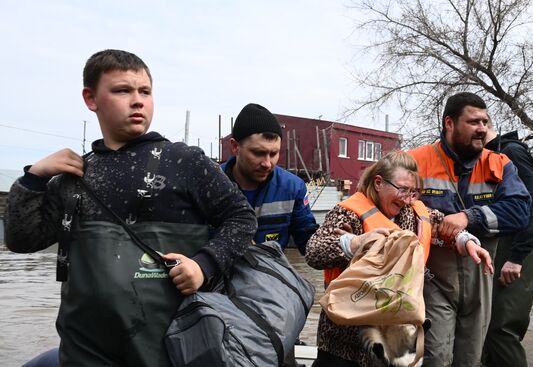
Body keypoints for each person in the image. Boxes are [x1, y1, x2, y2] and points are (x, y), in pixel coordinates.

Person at [5, 49, 257, 366]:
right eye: (122, 90)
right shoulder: (74, 176)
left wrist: (202, 265)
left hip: (170, 348)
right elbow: (21, 240)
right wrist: (34, 178)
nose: (137, 101)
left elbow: (241, 220)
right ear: (90, 98)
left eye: (145, 92)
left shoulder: (186, 162)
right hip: (85, 352)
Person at [304, 151, 493, 367]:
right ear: (378, 183)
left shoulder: (413, 211)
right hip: (346, 337)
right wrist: (353, 243)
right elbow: (313, 251)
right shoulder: (347, 213)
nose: (407, 199)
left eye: (413, 192)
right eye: (403, 190)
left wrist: (467, 241)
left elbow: (441, 226)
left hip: (394, 334)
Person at [407, 92, 531, 367]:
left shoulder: (499, 164)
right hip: (432, 276)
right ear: (449, 123)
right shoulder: (414, 161)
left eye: (485, 122)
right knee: (436, 356)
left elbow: (520, 213)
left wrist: (468, 217)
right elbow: (394, 208)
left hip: (480, 276)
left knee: (471, 359)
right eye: (473, 122)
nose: (482, 129)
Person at [482, 122, 533, 367]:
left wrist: (517, 257)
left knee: (502, 329)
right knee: (487, 328)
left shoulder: (512, 152)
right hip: (500, 249)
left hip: (516, 251)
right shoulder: (487, 155)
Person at [220, 103, 318, 255]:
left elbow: (310, 245)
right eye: (258, 153)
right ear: (235, 147)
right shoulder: (209, 185)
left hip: (268, 276)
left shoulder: (293, 188)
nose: (267, 163)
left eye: (274, 154)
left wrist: (341, 243)